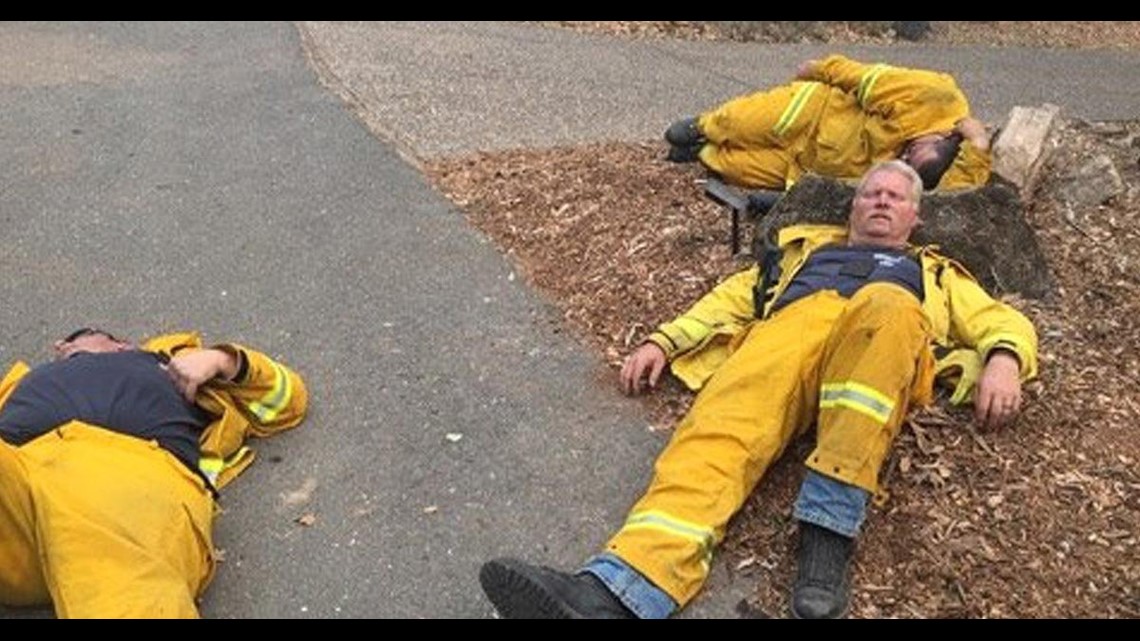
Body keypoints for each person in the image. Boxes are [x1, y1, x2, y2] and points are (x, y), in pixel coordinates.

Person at [479, 160, 1038, 619]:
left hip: (879, 341)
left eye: (895, 195)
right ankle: (618, 593)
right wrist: (664, 341)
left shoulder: (931, 272)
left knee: (887, 306)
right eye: (871, 193)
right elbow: (726, 301)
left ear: (914, 216)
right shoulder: (802, 255)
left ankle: (827, 534)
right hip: (786, 338)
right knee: (720, 426)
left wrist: (1005, 359)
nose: (881, 201)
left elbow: (998, 320)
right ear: (853, 206)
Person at [0, 327, 308, 618]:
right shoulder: (18, 386)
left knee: (125, 591)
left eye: (94, 334)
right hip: (17, 478)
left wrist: (223, 360)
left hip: (120, 476)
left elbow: (288, 399)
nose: (63, 346)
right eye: (74, 339)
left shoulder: (173, 363)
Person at [664, 54, 993, 193]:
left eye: (910, 165)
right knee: (737, 122)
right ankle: (702, 128)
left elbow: (959, 195)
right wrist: (819, 68)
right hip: (813, 113)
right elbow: (863, 77)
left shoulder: (946, 168)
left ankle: (702, 152)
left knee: (732, 168)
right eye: (911, 153)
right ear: (943, 133)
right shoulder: (933, 95)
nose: (904, 160)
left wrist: (979, 146)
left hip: (807, 167)